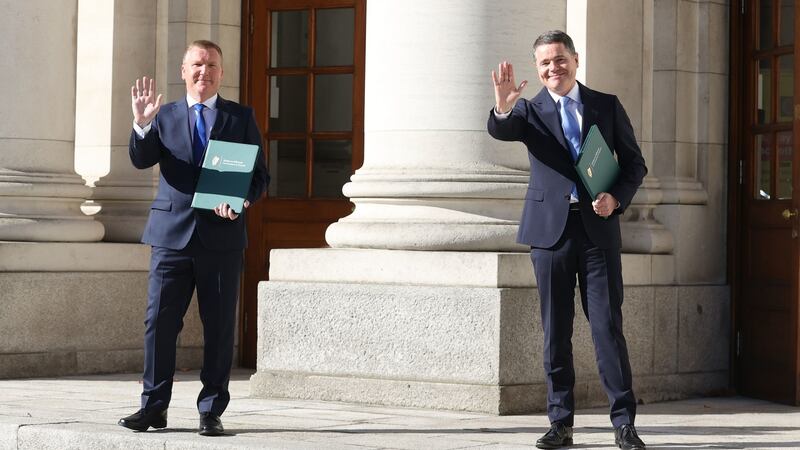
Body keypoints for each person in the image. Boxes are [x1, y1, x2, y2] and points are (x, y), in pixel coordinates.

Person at [487, 30, 648, 450]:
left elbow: (634, 164)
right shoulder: (528, 110)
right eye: (545, 63)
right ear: (537, 69)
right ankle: (560, 424)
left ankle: (624, 424)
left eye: (560, 59)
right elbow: (502, 130)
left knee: (607, 328)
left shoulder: (605, 106)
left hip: (598, 233)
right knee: (555, 332)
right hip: (550, 234)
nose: (553, 68)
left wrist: (616, 198)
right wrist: (502, 109)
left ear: (576, 60)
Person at [118, 40, 269, 437]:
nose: (205, 71)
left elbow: (259, 176)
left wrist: (241, 201)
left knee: (218, 327)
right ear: (184, 71)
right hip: (171, 237)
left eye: (212, 65)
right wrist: (141, 124)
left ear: (222, 73)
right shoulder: (164, 115)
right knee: (159, 323)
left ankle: (211, 410)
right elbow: (140, 159)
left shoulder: (240, 117)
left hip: (222, 238)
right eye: (197, 64)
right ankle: (153, 407)